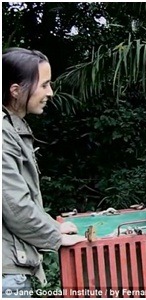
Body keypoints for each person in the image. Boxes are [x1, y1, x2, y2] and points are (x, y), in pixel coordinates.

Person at [2, 48, 86, 298]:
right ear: (15, 90)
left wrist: (53, 225)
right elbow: (13, 204)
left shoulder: (12, 127)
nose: (50, 92)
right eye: (45, 85)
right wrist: (54, 237)